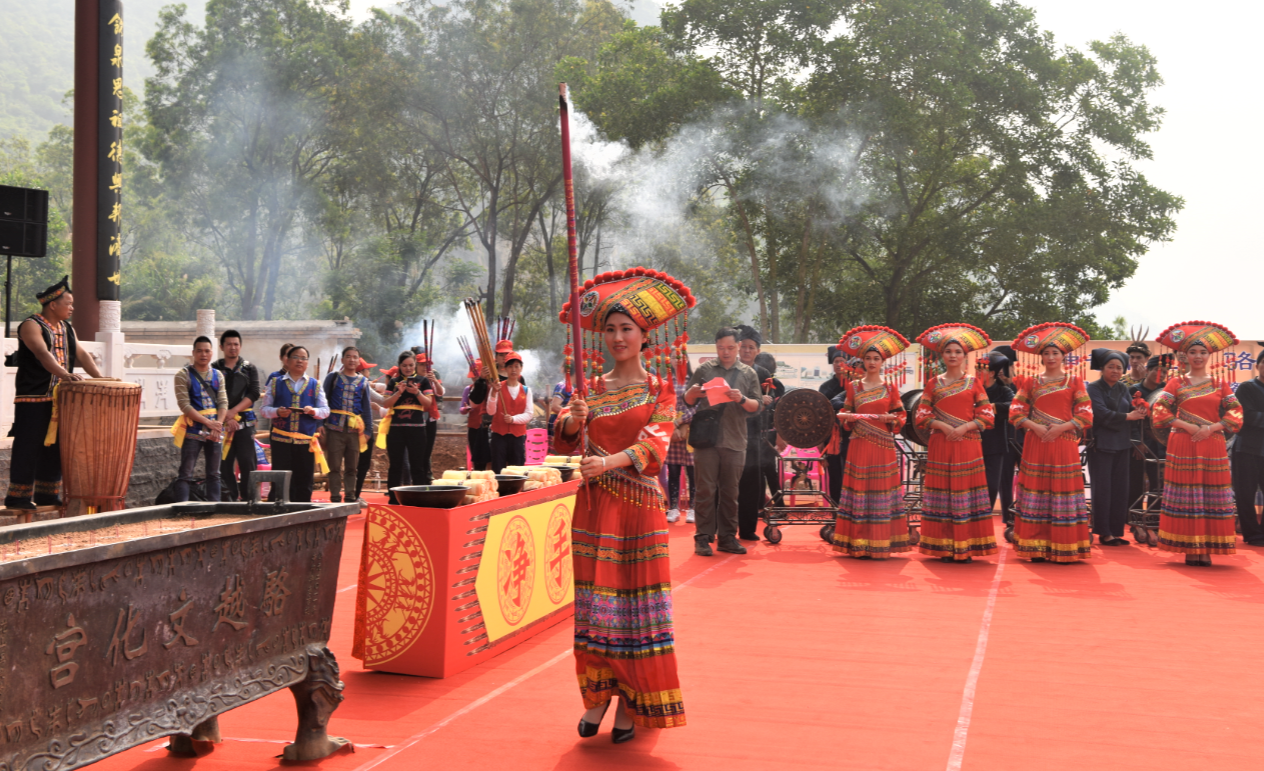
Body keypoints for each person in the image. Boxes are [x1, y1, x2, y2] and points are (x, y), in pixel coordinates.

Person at [554, 268, 692, 741]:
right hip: (594, 509)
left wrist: (606, 462)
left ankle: (634, 703)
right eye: (610, 329)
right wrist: (573, 422)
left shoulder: (661, 389)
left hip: (637, 509)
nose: (617, 336)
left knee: (635, 606)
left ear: (644, 335)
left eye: (626, 328)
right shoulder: (589, 389)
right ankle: (598, 696)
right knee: (597, 607)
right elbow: (570, 441)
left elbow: (654, 449)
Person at [4, 276, 103, 509]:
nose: (72, 308)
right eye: (68, 303)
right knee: (29, 445)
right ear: (52, 305)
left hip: (62, 399)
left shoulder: (67, 328)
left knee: (56, 445)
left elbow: (83, 355)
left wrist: (101, 379)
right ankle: (17, 496)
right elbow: (42, 353)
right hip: (34, 397)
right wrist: (64, 374)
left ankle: (47, 493)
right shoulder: (31, 325)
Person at [1150, 322, 1243, 566]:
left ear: (1209, 356)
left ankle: (1208, 546)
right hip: (1183, 441)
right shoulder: (1176, 383)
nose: (1198, 356)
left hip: (1212, 443)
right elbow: (1159, 411)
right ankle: (1189, 546)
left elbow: (1236, 412)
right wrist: (1188, 426)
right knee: (1186, 494)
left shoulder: (1219, 384)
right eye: (1193, 352)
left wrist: (1212, 428)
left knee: (1210, 494)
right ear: (1185, 355)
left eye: (1202, 352)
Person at [1009, 323, 1094, 563]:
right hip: (1036, 443)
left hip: (1064, 443)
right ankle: (1034, 546)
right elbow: (1015, 411)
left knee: (1062, 493)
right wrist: (1034, 426)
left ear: (1063, 356)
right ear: (1040, 357)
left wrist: (1061, 428)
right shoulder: (1031, 383)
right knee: (1037, 491)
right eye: (1046, 353)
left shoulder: (1074, 381)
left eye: (1055, 353)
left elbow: (1086, 414)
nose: (1051, 357)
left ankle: (1064, 546)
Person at [914, 324, 998, 562]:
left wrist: (964, 427)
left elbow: (987, 416)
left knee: (965, 493)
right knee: (943, 493)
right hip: (941, 443)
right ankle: (942, 546)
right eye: (948, 351)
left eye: (957, 352)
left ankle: (967, 545)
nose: (953, 355)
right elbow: (921, 416)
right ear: (942, 355)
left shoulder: (974, 383)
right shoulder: (933, 383)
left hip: (967, 443)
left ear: (964, 356)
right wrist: (941, 426)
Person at [831, 326, 910, 559]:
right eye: (868, 358)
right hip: (859, 447)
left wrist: (892, 420)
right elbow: (846, 413)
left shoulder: (889, 388)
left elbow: (902, 416)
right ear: (862, 361)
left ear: (882, 361)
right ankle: (858, 542)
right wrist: (846, 419)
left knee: (881, 492)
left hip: (883, 447)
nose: (872, 362)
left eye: (876, 358)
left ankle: (881, 542)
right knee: (860, 492)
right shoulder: (854, 387)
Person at [684, 327, 763, 556]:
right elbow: (687, 400)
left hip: (736, 439)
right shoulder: (705, 369)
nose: (725, 352)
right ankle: (703, 538)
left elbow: (757, 406)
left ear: (739, 346)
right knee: (705, 490)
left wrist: (742, 399)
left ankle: (728, 537)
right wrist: (695, 392)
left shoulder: (749, 373)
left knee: (730, 492)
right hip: (707, 440)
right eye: (720, 348)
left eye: (730, 347)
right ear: (715, 347)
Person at [1086, 348, 1147, 546]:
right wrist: (1128, 416)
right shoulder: (1094, 388)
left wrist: (1140, 409)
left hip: (1123, 444)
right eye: (1110, 366)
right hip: (1101, 444)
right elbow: (1100, 413)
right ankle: (1104, 532)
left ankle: (1116, 530)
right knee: (1103, 489)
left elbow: (1130, 409)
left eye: (1119, 367)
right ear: (1102, 369)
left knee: (1121, 489)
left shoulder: (1122, 388)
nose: (1115, 370)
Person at [260, 345, 330, 503]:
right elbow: (264, 409)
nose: (300, 361)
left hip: (306, 441)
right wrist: (277, 412)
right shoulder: (275, 383)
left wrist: (314, 412)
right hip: (280, 440)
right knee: (281, 479)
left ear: (307, 363)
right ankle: (277, 514)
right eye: (296, 357)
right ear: (287, 360)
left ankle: (302, 514)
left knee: (304, 479)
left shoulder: (315, 384)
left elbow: (326, 410)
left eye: (304, 358)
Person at [735, 327, 784, 541]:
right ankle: (725, 528)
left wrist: (766, 402)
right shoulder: (730, 370)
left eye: (751, 347)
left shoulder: (763, 373)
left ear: (757, 350)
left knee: (752, 483)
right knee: (728, 482)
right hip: (731, 433)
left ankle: (747, 529)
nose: (746, 350)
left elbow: (772, 399)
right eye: (743, 346)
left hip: (755, 435)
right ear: (738, 348)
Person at [172, 336, 228, 502]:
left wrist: (217, 425)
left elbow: (223, 401)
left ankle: (215, 510)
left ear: (212, 353)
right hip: (193, 430)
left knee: (214, 474)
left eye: (207, 351)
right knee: (185, 473)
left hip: (215, 429)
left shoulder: (218, 375)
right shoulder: (183, 375)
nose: (203, 354)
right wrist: (209, 423)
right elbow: (185, 405)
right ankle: (182, 509)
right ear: (193, 353)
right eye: (199, 351)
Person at [380, 351, 434, 503]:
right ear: (399, 366)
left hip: (417, 428)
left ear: (415, 365)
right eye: (404, 365)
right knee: (395, 465)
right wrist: (398, 393)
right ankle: (394, 499)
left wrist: (417, 392)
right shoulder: (394, 382)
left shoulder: (423, 381)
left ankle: (420, 498)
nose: (408, 368)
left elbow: (428, 403)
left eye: (411, 365)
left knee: (418, 465)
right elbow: (385, 403)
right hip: (396, 428)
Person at [214, 329, 262, 502]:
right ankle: (229, 499)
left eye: (236, 344)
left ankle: (250, 499)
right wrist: (226, 418)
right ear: (221, 347)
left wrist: (233, 413)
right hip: (220, 425)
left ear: (240, 346)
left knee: (247, 462)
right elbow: (211, 395)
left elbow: (254, 393)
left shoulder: (249, 368)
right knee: (224, 464)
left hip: (245, 424)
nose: (233, 348)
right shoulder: (214, 369)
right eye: (229, 344)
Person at [323, 347, 375, 504]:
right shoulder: (333, 378)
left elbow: (366, 407)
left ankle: (351, 496)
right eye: (348, 356)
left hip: (354, 431)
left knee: (352, 467)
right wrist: (320, 424)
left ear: (359, 361)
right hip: (333, 429)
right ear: (342, 360)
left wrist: (368, 430)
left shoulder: (363, 382)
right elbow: (323, 402)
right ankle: (335, 496)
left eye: (355, 357)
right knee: (334, 466)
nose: (352, 360)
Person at [982, 346, 1018, 542]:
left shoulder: (1005, 389)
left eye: (985, 369)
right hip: (971, 444)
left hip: (998, 444)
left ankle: (992, 526)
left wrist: (988, 407)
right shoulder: (972, 387)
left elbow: (1014, 406)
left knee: (991, 487)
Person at [1231, 352, 1264, 547]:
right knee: (1245, 492)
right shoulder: (1247, 388)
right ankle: (1252, 534)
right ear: (1258, 365)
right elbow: (1246, 415)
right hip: (1247, 449)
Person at [818, 346, 853, 506]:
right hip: (832, 436)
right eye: (836, 361)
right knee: (834, 474)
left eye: (842, 361)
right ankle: (835, 509)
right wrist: (821, 441)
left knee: (851, 473)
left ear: (848, 364)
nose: (839, 364)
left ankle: (851, 508)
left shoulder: (855, 384)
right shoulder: (825, 388)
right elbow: (821, 416)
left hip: (853, 436)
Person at [486, 351, 532, 472]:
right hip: (499, 435)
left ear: (521, 368)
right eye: (510, 366)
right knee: (498, 469)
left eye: (517, 366)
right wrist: (493, 393)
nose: (513, 370)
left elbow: (529, 414)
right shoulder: (497, 387)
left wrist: (513, 419)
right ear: (505, 368)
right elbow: (490, 412)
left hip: (518, 436)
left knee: (517, 470)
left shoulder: (526, 390)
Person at [665, 361, 696, 524]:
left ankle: (693, 508)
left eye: (680, 355)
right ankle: (674, 508)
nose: (677, 360)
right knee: (673, 472)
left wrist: (680, 421)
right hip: (673, 433)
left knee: (693, 473)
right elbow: (662, 407)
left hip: (691, 432)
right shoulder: (666, 382)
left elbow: (698, 406)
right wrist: (672, 425)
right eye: (673, 356)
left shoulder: (694, 382)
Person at [459, 359, 493, 471]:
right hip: (473, 427)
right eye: (472, 376)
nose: (473, 379)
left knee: (490, 459)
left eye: (476, 376)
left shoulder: (490, 387)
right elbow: (462, 409)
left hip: (486, 427)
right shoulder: (468, 389)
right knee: (477, 458)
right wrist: (466, 409)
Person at [416, 350, 445, 483]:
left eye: (427, 365)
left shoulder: (432, 378)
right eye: (422, 364)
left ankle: (426, 475)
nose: (424, 368)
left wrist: (435, 382)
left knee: (428, 448)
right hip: (415, 418)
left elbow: (440, 393)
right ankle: (419, 477)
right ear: (416, 365)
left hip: (430, 417)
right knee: (418, 449)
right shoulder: (413, 379)